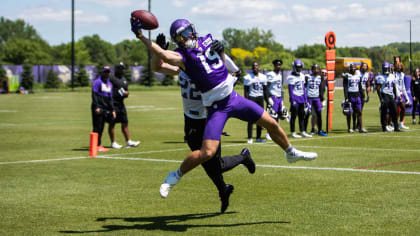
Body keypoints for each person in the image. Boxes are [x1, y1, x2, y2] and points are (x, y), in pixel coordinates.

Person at [130, 18, 317, 202]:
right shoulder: (182, 57)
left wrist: (223, 52)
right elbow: (164, 59)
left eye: (189, 31)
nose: (189, 35)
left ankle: (290, 152)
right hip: (214, 107)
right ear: (178, 39)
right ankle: (175, 176)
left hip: (233, 98)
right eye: (184, 34)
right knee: (207, 153)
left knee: (271, 122)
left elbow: (229, 68)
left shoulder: (207, 41)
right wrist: (141, 36)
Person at [154, 33, 255, 212]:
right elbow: (157, 67)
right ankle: (223, 189)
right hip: (190, 119)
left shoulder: (207, 64)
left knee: (215, 164)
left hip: (209, 118)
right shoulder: (182, 66)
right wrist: (159, 51)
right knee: (204, 162)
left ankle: (242, 159)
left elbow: (235, 72)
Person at [108, 63, 141, 149]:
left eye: (122, 68)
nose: (121, 70)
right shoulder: (111, 78)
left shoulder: (124, 80)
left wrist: (126, 94)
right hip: (112, 104)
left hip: (121, 104)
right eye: (119, 68)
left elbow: (126, 91)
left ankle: (128, 142)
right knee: (112, 123)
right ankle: (113, 142)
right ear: (116, 69)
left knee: (125, 122)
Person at [91, 66, 116, 152]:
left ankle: (98, 145)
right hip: (98, 107)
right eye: (105, 71)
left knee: (101, 127)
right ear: (102, 72)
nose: (107, 73)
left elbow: (110, 98)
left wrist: (112, 110)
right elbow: (94, 95)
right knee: (97, 127)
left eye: (108, 72)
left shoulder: (109, 84)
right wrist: (96, 107)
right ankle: (96, 145)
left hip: (105, 108)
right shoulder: (97, 82)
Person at [265, 59, 289, 141]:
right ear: (274, 66)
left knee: (279, 116)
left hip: (279, 98)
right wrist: (268, 99)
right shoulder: (270, 74)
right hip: (273, 97)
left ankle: (276, 133)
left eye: (279, 65)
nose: (278, 66)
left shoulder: (279, 75)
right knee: (272, 117)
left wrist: (282, 99)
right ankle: (268, 133)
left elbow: (280, 87)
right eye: (277, 65)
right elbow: (267, 87)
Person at [243, 62, 267, 143]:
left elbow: (265, 90)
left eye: (256, 66)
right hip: (252, 98)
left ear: (259, 67)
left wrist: (268, 101)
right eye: (253, 66)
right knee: (250, 119)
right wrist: (246, 101)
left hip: (260, 98)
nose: (255, 67)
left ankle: (258, 137)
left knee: (260, 118)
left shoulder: (263, 77)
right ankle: (250, 138)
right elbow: (246, 91)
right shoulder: (248, 77)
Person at [288, 59, 311, 138]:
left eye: (300, 67)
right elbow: (290, 89)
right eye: (297, 67)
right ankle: (293, 131)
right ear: (294, 67)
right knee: (294, 116)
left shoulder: (302, 75)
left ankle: (302, 131)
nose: (299, 69)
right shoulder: (291, 77)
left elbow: (304, 88)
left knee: (302, 115)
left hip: (302, 97)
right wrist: (292, 100)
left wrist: (306, 100)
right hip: (295, 97)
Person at [376, 62, 401, 132]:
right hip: (384, 94)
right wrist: (381, 98)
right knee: (384, 112)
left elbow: (394, 87)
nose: (386, 70)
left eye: (387, 68)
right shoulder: (381, 77)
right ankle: (384, 127)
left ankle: (396, 127)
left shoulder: (392, 76)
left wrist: (395, 96)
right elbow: (378, 89)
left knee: (395, 111)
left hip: (391, 95)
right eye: (385, 69)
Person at [343, 64, 367, 133]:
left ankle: (361, 128)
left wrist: (362, 95)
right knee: (349, 112)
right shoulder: (347, 76)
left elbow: (360, 86)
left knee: (359, 111)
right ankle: (349, 128)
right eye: (351, 68)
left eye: (354, 68)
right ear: (349, 69)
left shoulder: (358, 76)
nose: (353, 69)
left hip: (357, 95)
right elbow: (345, 88)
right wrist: (346, 97)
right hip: (350, 95)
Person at [305, 64, 327, 136]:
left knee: (319, 115)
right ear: (312, 69)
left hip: (317, 98)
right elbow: (304, 87)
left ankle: (320, 130)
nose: (316, 70)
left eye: (317, 69)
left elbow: (321, 88)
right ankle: (304, 130)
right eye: (315, 69)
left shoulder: (320, 78)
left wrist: (322, 99)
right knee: (307, 114)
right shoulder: (307, 77)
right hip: (309, 98)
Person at [394, 62, 410, 130]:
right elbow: (395, 86)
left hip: (401, 93)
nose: (399, 67)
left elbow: (403, 86)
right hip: (396, 94)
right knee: (396, 110)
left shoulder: (402, 74)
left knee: (403, 108)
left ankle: (400, 124)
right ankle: (394, 124)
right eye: (398, 66)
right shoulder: (394, 74)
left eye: (400, 66)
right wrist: (398, 95)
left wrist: (407, 97)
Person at [356, 62, 371, 130]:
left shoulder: (367, 74)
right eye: (363, 66)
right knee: (355, 110)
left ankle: (358, 125)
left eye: (365, 66)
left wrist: (368, 95)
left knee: (360, 110)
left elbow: (368, 85)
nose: (364, 67)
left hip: (362, 93)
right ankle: (354, 125)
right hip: (356, 92)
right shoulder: (357, 72)